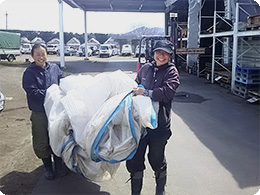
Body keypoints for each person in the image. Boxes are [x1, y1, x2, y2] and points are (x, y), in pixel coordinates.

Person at [126, 39, 180, 195]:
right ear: (153, 53)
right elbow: (136, 86)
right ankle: (135, 192)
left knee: (156, 159)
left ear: (170, 56)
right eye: (158, 52)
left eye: (165, 53)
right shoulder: (145, 69)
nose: (161, 56)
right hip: (140, 125)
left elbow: (168, 92)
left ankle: (160, 190)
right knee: (135, 160)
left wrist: (147, 93)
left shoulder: (171, 71)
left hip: (159, 126)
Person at [22, 43, 66, 180]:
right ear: (32, 56)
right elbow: (32, 91)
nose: (41, 57)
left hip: (55, 109)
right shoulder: (29, 72)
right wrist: (50, 93)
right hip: (40, 111)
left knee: (57, 135)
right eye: (38, 54)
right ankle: (47, 167)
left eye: (43, 54)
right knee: (42, 139)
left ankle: (59, 164)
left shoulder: (54, 68)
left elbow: (62, 81)